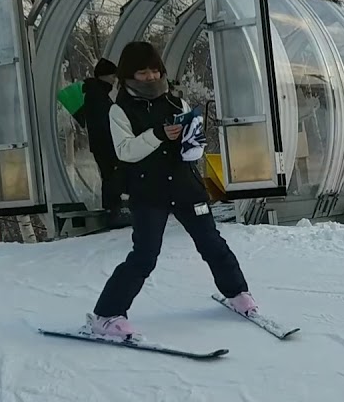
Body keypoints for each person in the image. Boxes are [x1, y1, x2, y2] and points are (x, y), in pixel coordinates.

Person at [84, 41, 258, 339]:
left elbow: (194, 148)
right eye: (143, 73)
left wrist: (193, 142)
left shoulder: (177, 103)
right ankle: (107, 314)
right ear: (128, 76)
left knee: (211, 243)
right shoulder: (119, 111)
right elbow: (125, 151)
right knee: (145, 255)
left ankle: (237, 293)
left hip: (186, 187)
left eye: (155, 71)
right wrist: (158, 134)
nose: (151, 77)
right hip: (148, 192)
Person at [75, 58, 129, 224]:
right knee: (111, 175)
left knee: (111, 175)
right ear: (105, 76)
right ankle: (113, 210)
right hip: (105, 144)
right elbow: (102, 122)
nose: (114, 80)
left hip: (102, 143)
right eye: (113, 76)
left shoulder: (96, 92)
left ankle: (113, 208)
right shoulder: (97, 94)